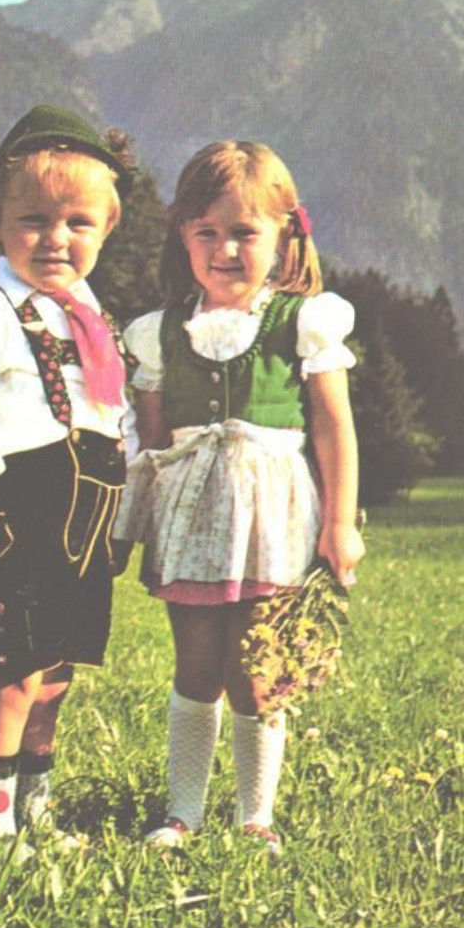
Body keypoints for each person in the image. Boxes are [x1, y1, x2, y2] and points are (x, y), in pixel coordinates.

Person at [114, 140, 365, 852]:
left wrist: (340, 523)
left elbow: (334, 428)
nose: (226, 249)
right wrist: (133, 526)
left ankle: (256, 815)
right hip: (193, 519)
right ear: (183, 237)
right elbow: (152, 446)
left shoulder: (302, 323)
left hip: (276, 519)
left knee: (259, 672)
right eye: (207, 232)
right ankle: (182, 812)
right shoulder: (159, 333)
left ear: (284, 234)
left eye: (245, 232)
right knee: (195, 667)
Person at [0, 105, 131, 853]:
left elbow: (113, 421)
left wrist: (124, 522)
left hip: (84, 525)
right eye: (34, 219)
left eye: (78, 222)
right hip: (17, 517)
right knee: (13, 673)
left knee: (57, 675)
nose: (56, 239)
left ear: (106, 229)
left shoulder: (92, 321)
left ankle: (35, 806)